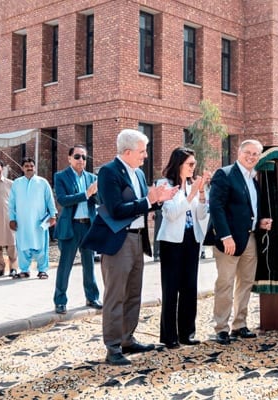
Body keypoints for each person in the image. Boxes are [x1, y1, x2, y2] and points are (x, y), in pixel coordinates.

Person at [80, 128, 177, 366]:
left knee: (134, 293)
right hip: (118, 241)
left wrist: (158, 201)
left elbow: (142, 206)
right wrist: (149, 200)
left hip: (138, 238)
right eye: (142, 151)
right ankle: (112, 347)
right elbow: (115, 209)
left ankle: (127, 339)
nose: (146, 156)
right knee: (116, 296)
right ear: (127, 151)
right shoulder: (108, 172)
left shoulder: (140, 175)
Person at [208, 139, 272, 345]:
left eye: (256, 154)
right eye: (248, 152)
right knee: (225, 284)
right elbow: (216, 207)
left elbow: (249, 207)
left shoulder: (254, 179)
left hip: (250, 238)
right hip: (229, 241)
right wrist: (225, 236)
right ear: (239, 152)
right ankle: (221, 328)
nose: (252, 157)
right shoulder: (224, 174)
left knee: (245, 283)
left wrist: (260, 220)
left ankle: (239, 325)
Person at [156, 147, 210, 348]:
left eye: (194, 164)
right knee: (171, 288)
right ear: (178, 164)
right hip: (172, 242)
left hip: (192, 239)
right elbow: (171, 214)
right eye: (190, 164)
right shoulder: (165, 185)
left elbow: (202, 215)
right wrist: (191, 194)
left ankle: (187, 333)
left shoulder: (192, 185)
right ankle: (169, 336)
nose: (192, 167)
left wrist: (202, 192)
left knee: (189, 287)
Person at [52, 145, 102, 315]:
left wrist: (98, 193)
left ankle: (92, 297)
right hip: (71, 227)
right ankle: (60, 301)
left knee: (89, 265)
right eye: (77, 156)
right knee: (65, 266)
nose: (81, 160)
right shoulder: (61, 176)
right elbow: (63, 200)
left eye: (84, 157)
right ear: (69, 158)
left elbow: (98, 200)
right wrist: (86, 194)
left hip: (88, 225)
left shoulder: (92, 178)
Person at [9, 157, 58, 280]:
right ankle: (24, 270)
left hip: (39, 222)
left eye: (31, 165)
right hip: (22, 221)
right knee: (23, 246)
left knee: (41, 246)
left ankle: (42, 270)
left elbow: (49, 200)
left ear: (35, 167)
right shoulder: (17, 183)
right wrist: (12, 219)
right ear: (22, 168)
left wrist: (53, 215)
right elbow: (11, 203)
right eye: (26, 166)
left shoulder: (42, 182)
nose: (29, 168)